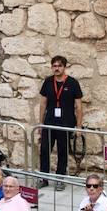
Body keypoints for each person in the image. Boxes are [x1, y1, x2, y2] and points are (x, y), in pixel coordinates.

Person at [36, 54, 83, 184]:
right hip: (50, 123)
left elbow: (78, 106)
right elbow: (43, 104)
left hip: (66, 123)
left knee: (63, 151)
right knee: (45, 150)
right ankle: (43, 178)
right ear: (51, 67)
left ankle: (60, 179)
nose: (57, 68)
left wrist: (79, 126)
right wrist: (41, 123)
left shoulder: (73, 83)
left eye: (59, 66)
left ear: (64, 67)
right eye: (54, 66)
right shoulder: (48, 82)